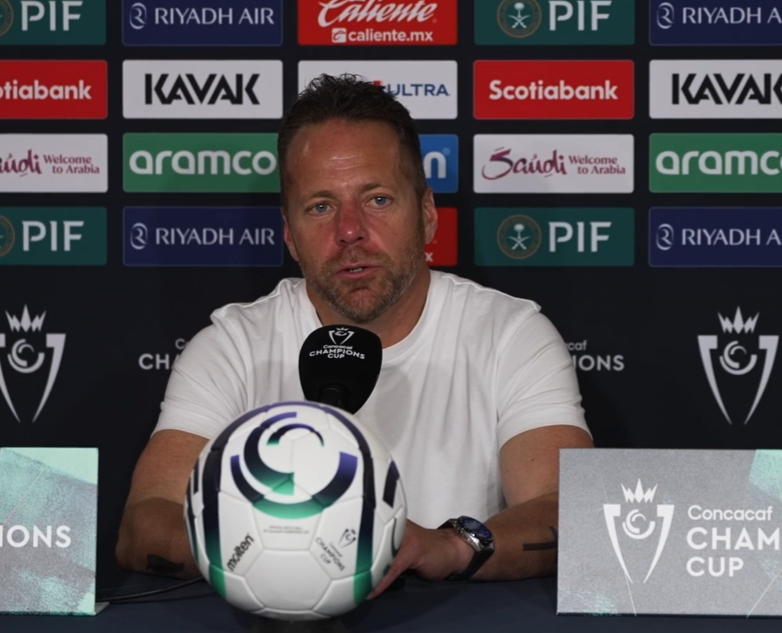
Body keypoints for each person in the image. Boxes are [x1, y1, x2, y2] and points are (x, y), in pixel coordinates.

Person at [115, 74, 593, 594]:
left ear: (427, 214)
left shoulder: (511, 335)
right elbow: (143, 523)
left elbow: (566, 509)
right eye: (320, 207)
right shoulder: (231, 346)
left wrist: (449, 545)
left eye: (378, 200)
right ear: (290, 235)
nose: (349, 231)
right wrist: (268, 545)